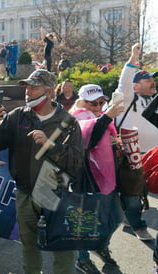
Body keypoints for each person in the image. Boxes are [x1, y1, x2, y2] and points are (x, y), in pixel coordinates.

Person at [0, 69, 84, 273]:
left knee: (63, 247)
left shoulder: (69, 122)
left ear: (49, 93)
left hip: (56, 193)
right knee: (29, 245)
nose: (28, 92)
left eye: (34, 87)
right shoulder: (17, 116)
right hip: (25, 193)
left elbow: (75, 161)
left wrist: (50, 145)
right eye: (27, 87)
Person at [69, 84, 125, 273]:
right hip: (86, 179)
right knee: (86, 222)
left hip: (106, 176)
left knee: (117, 217)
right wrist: (107, 116)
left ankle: (101, 245)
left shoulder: (99, 117)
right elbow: (88, 139)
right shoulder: (77, 117)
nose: (99, 106)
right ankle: (82, 259)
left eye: (102, 102)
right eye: (94, 103)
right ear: (83, 102)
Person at [115, 43, 157, 243]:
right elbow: (124, 82)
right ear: (136, 85)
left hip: (154, 157)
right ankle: (137, 225)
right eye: (147, 79)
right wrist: (133, 57)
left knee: (145, 192)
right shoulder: (127, 99)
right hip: (133, 157)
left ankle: (128, 217)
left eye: (152, 79)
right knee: (133, 195)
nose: (152, 82)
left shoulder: (155, 100)